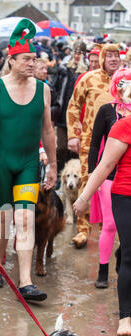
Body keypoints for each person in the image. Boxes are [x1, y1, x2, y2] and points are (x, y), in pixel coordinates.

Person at [0, 19, 57, 301]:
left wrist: (54, 167)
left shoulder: (43, 89)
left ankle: (25, 282)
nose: (32, 64)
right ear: (11, 60)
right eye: (26, 59)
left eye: (34, 59)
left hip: (28, 165)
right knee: (2, 217)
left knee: (25, 217)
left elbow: (47, 130)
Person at [73, 113, 131, 336]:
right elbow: (105, 165)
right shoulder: (123, 126)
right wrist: (84, 197)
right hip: (126, 196)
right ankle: (126, 316)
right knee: (129, 253)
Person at [67, 43, 121, 248]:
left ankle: (113, 227)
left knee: (115, 185)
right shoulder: (88, 78)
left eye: (117, 55)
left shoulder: (126, 79)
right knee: (87, 182)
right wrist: (73, 135)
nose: (114, 59)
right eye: (110, 56)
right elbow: (73, 106)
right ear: (103, 58)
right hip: (91, 142)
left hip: (121, 144)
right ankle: (83, 230)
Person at [88, 68, 131, 289]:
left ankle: (122, 256)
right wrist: (90, 176)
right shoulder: (106, 110)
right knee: (110, 224)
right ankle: (103, 270)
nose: (126, 88)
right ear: (116, 86)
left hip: (128, 176)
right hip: (109, 176)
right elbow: (95, 143)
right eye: (121, 83)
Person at [53, 42, 88, 176]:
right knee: (61, 147)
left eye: (80, 53)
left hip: (78, 116)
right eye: (75, 53)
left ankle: (74, 174)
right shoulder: (65, 69)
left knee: (75, 149)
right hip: (62, 115)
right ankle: (61, 173)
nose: (77, 56)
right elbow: (56, 89)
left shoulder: (86, 72)